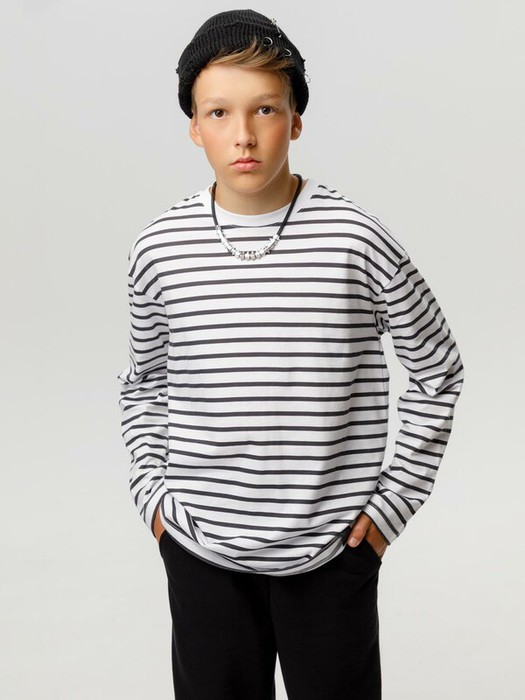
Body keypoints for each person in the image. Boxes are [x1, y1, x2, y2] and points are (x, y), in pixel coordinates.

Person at [116, 9, 465, 699]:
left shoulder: (356, 239)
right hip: (200, 546)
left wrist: (389, 509)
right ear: (193, 126)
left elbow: (437, 369)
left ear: (296, 119)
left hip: (332, 551)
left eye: (265, 109)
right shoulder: (159, 248)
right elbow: (143, 382)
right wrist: (153, 499)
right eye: (218, 112)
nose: (242, 134)